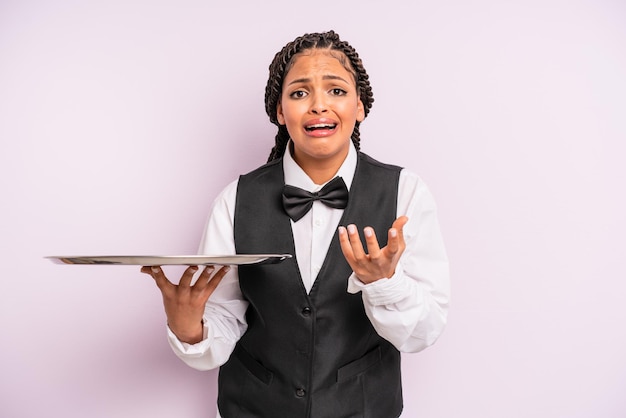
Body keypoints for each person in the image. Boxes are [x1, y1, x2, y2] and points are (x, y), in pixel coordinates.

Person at [142, 30, 450, 418]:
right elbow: (224, 318)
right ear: (280, 111)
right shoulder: (235, 199)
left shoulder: (406, 192)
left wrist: (384, 283)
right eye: (300, 93)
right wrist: (189, 329)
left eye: (336, 91)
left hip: (365, 408)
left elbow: (424, 331)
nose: (319, 105)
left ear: (360, 106)